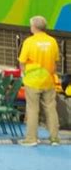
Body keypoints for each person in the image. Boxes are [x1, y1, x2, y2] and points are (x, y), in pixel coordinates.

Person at [18, 16, 60, 146]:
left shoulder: (29, 42)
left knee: (32, 109)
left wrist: (24, 74)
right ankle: (54, 138)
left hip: (32, 81)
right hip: (48, 81)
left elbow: (22, 62)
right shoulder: (52, 41)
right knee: (51, 109)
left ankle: (31, 139)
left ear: (34, 27)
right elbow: (56, 61)